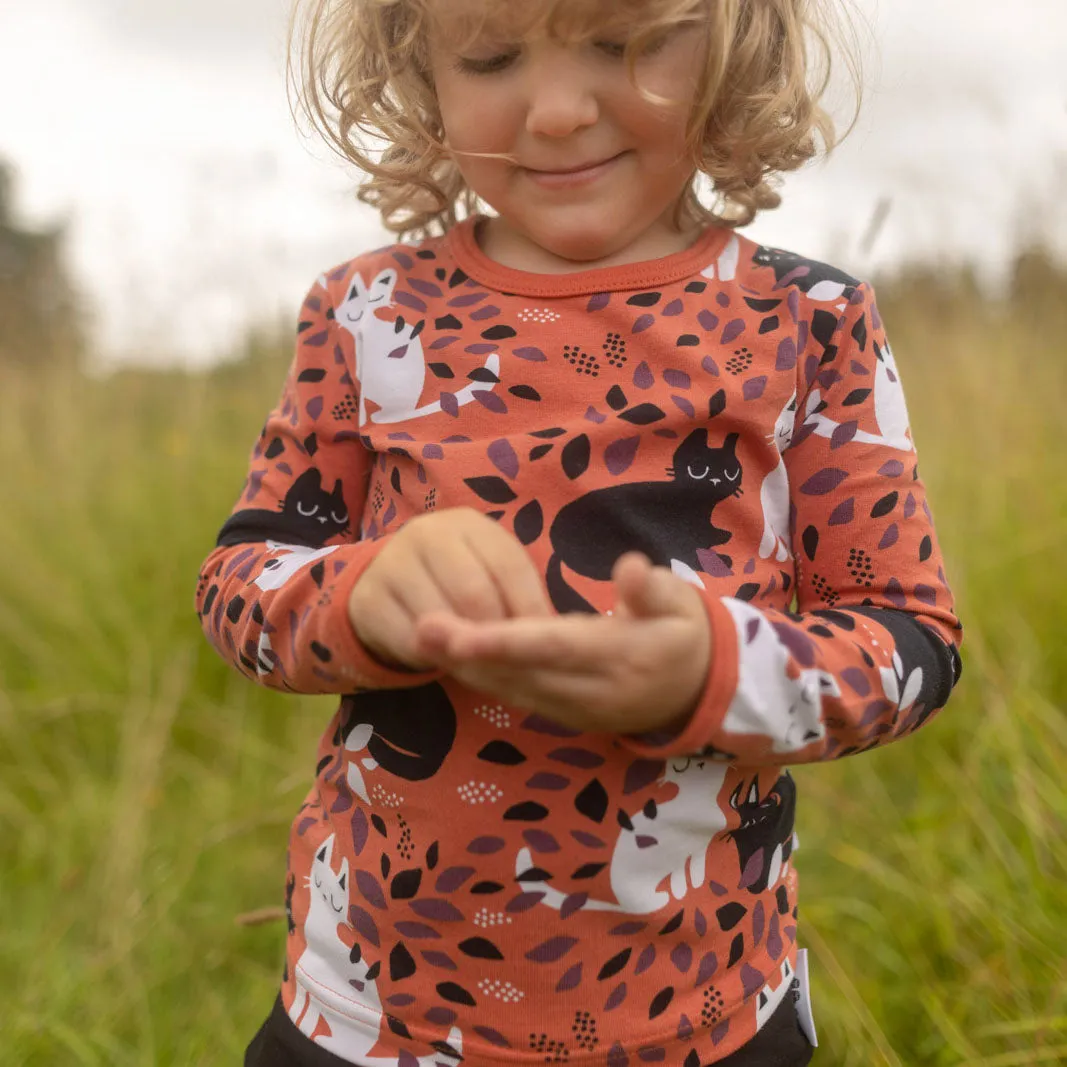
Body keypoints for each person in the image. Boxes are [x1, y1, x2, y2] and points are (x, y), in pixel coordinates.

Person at [195, 0, 964, 1063]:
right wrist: (359, 594)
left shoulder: (807, 321)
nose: (556, 112)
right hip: (371, 1014)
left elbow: (912, 644)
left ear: (734, 41)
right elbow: (242, 579)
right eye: (491, 55)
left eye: (623, 43)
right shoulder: (364, 314)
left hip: (707, 1014)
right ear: (417, 66)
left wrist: (719, 669)